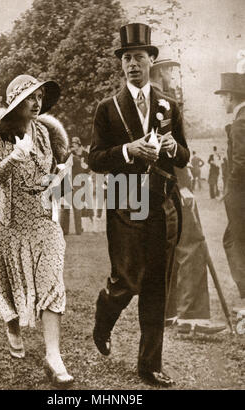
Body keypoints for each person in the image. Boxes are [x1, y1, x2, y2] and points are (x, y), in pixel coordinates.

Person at [89, 23, 190, 387]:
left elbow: (184, 156)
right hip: (124, 201)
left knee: (156, 288)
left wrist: (171, 148)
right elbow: (95, 159)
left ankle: (149, 366)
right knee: (127, 282)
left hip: (163, 204)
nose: (132, 64)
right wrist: (128, 151)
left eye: (139, 57)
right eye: (126, 58)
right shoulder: (108, 108)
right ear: (122, 65)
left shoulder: (169, 105)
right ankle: (105, 315)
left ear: (151, 60)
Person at [0, 74, 73, 386]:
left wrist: (59, 175)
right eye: (31, 97)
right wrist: (13, 156)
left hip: (41, 221)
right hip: (6, 225)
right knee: (8, 285)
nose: (37, 103)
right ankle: (12, 326)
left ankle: (53, 356)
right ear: (17, 103)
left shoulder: (46, 132)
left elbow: (46, 176)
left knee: (52, 282)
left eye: (40, 97)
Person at [150, 58, 226, 335]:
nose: (173, 74)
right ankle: (192, 315)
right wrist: (183, 185)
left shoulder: (147, 101)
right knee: (191, 244)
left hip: (153, 190)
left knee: (169, 248)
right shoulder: (163, 102)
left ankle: (170, 312)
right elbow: (167, 149)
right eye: (169, 69)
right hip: (171, 186)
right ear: (158, 72)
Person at [215, 61, 245, 313]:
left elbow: (240, 162)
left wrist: (230, 190)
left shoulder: (240, 122)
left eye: (223, 96)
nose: (222, 101)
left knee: (236, 241)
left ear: (232, 97)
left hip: (240, 195)